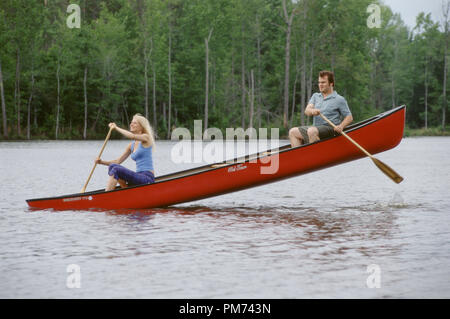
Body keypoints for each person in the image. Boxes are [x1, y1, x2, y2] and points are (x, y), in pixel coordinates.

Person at [289, 70, 353, 147]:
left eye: (323, 82)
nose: (320, 85)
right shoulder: (315, 96)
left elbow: (349, 117)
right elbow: (307, 111)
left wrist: (341, 126)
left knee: (311, 131)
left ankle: (314, 155)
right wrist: (313, 111)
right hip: (315, 128)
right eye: (319, 82)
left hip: (330, 129)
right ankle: (300, 157)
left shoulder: (339, 99)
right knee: (292, 132)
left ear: (331, 84)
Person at [95, 114, 156, 191]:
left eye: (135, 123)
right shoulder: (131, 145)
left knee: (116, 169)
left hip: (147, 179)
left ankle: (106, 195)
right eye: (131, 122)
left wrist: (116, 128)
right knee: (112, 166)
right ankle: (126, 189)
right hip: (138, 176)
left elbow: (131, 136)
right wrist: (101, 162)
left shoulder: (146, 137)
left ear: (141, 126)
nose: (131, 124)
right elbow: (118, 161)